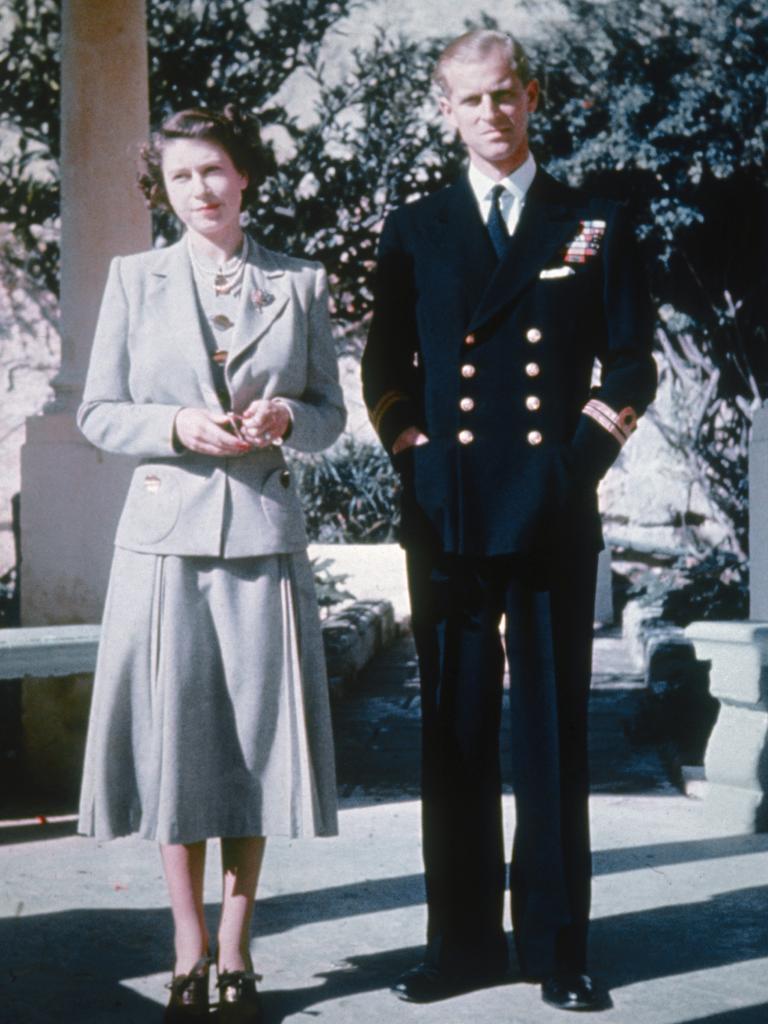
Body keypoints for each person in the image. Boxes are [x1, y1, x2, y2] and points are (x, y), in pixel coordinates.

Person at [362, 29, 657, 1013]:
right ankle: (460, 944)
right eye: (469, 101)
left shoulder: (596, 221)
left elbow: (630, 365)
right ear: (444, 111)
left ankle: (558, 944)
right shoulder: (417, 227)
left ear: (531, 97)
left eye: (504, 96)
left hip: (551, 507)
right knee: (453, 730)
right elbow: (385, 373)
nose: (490, 115)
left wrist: (571, 468)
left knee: (552, 729)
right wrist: (418, 462)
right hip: (446, 511)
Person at [77, 105, 345, 1023]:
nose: (202, 189)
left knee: (253, 749)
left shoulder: (299, 282)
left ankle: (237, 944)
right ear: (165, 186)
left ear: (246, 177)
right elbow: (99, 412)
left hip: (264, 536)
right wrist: (176, 427)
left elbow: (329, 412)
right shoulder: (133, 279)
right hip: (162, 544)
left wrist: (286, 422)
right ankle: (186, 940)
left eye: (217, 171)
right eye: (183, 175)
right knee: (173, 747)